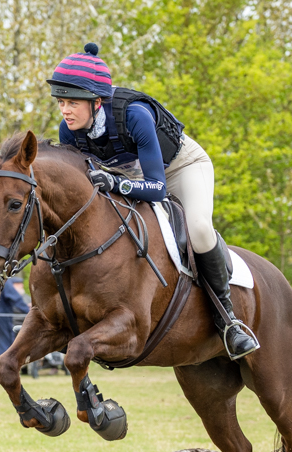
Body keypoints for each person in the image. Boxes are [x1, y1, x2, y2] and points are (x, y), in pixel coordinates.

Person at [47, 42, 259, 360]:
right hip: (129, 178)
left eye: (73, 103)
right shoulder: (69, 132)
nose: (65, 110)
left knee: (199, 229)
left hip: (180, 168)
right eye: (61, 102)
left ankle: (228, 321)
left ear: (96, 101)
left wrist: (116, 183)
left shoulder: (134, 115)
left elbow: (157, 188)